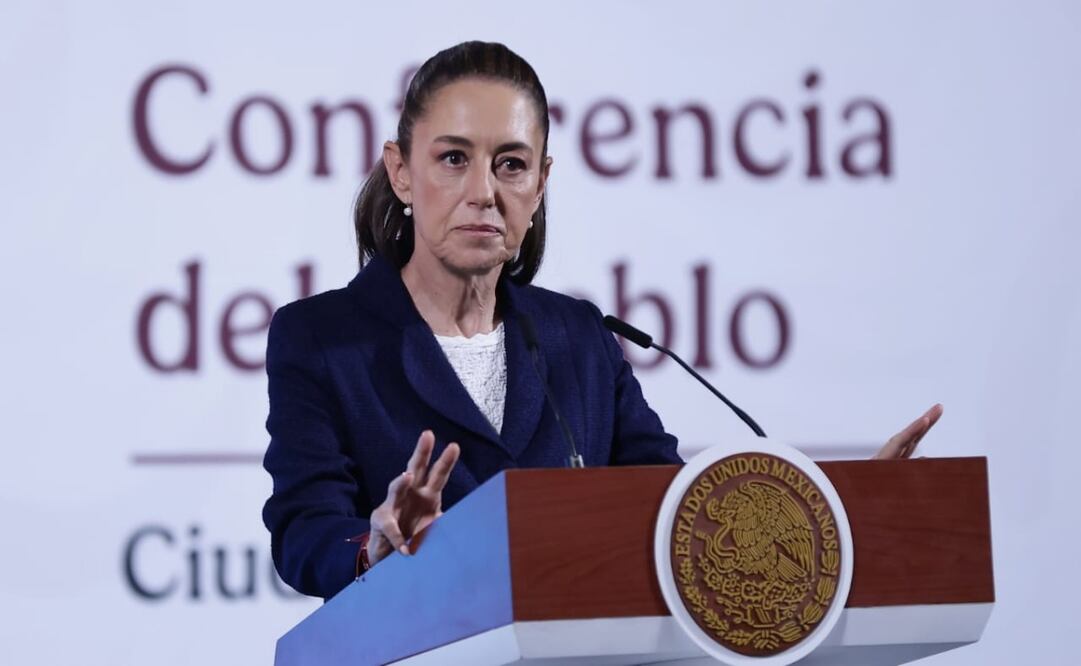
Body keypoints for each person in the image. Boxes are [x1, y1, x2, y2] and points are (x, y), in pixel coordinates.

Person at [261, 41, 942, 601]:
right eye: (453, 158)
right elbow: (303, 532)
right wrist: (374, 546)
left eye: (510, 164)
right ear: (401, 172)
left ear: (540, 183)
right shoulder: (322, 339)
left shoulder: (577, 337)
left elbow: (676, 513)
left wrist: (831, 515)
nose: (483, 192)